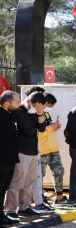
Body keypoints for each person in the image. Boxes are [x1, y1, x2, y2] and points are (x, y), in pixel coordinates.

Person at [5, 92, 48, 218]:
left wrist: (40, 113)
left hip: (33, 151)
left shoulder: (35, 113)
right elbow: (29, 130)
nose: (42, 107)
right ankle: (11, 210)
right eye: (41, 104)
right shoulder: (19, 111)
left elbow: (41, 128)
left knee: (29, 182)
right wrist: (37, 114)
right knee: (17, 182)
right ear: (34, 102)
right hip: (21, 152)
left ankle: (25, 207)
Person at [38, 93, 66, 204]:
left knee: (59, 172)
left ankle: (59, 197)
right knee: (40, 176)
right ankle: (39, 199)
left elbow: (47, 129)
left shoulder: (47, 114)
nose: (47, 107)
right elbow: (38, 133)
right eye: (48, 104)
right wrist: (51, 127)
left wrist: (55, 126)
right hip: (42, 150)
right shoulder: (35, 115)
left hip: (53, 149)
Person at [0, 91, 21, 226]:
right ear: (7, 103)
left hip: (9, 159)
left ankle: (1, 215)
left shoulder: (9, 115)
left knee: (3, 188)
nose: (18, 104)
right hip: (2, 159)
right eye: (16, 102)